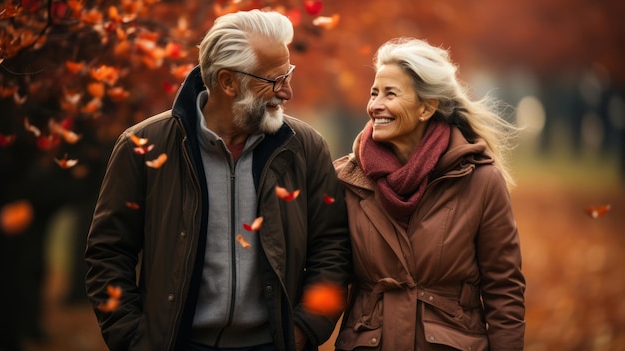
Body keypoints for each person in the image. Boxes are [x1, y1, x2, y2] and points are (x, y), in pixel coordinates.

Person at [84, 9, 352, 351]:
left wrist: (303, 329)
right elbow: (109, 252)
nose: (286, 92)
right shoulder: (144, 146)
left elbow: (332, 246)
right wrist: (133, 338)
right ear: (227, 82)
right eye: (273, 80)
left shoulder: (305, 147)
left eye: (289, 74)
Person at [333, 37, 526, 350]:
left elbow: (504, 290)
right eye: (374, 93)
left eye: (390, 94)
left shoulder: (481, 180)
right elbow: (327, 274)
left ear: (426, 107)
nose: (375, 105)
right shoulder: (347, 180)